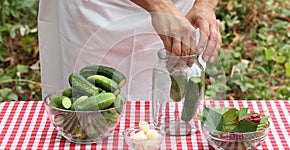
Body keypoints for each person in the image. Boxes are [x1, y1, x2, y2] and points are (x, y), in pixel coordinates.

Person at [38, 0, 221, 101]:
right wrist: (158, 5)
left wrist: (205, 5)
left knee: (172, 112)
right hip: (93, 11)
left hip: (180, 10)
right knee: (88, 109)